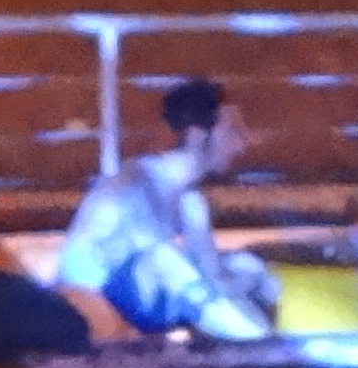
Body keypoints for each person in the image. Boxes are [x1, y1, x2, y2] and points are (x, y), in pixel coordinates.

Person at [55, 78, 280, 341]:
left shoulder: (191, 201)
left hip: (148, 297)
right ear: (197, 134)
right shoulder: (132, 187)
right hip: (94, 304)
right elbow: (170, 268)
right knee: (167, 261)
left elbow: (210, 271)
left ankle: (251, 342)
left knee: (251, 269)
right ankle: (258, 342)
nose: (242, 143)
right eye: (232, 131)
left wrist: (248, 280)